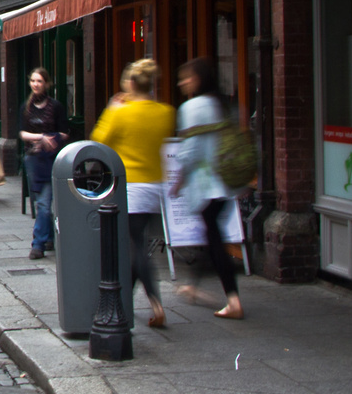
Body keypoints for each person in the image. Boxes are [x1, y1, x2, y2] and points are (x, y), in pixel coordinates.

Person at [91, 58, 176, 329]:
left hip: (130, 188)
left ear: (130, 83)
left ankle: (156, 304)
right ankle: (122, 299)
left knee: (136, 248)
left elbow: (98, 141)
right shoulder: (165, 112)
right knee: (138, 244)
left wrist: (112, 108)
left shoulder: (120, 112)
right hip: (155, 187)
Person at [171, 57, 244, 320]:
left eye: (186, 77)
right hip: (225, 182)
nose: (181, 82)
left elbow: (190, 150)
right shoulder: (221, 103)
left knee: (214, 239)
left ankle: (233, 299)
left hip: (206, 184)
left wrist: (178, 178)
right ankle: (193, 286)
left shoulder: (192, 108)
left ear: (198, 79)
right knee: (212, 235)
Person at [18, 67, 68, 259]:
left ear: (47, 83)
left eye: (39, 81)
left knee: (44, 204)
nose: (35, 84)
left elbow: (64, 132)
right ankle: (48, 239)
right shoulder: (26, 107)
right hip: (33, 159)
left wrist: (50, 139)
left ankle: (38, 243)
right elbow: (22, 133)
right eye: (33, 81)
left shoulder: (55, 106)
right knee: (42, 203)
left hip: (51, 160)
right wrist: (41, 137)